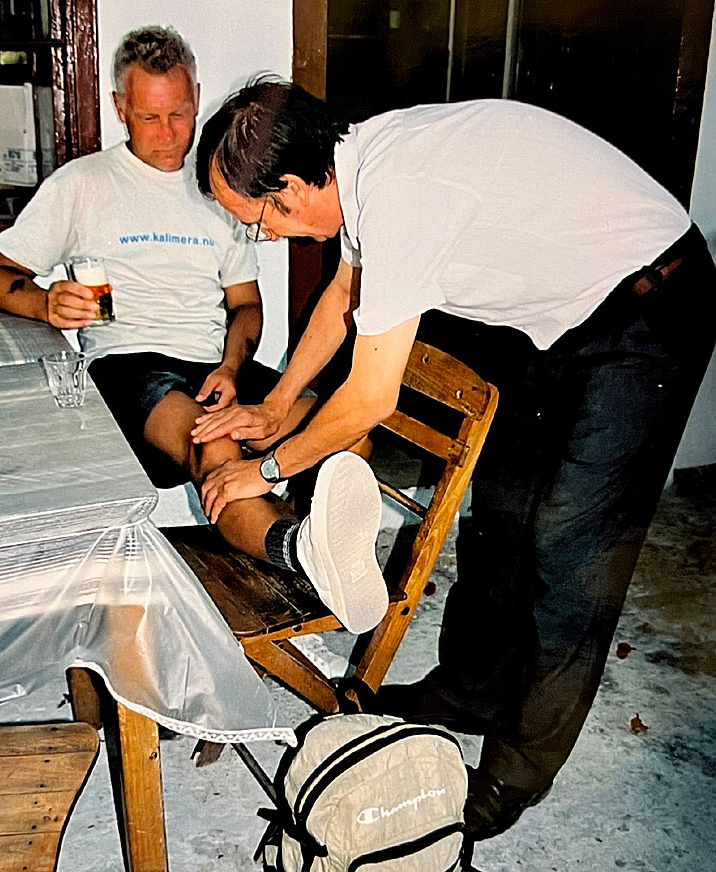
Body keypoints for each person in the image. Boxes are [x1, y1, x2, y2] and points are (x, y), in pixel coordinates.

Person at [190, 79, 716, 842]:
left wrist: (266, 471)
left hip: (649, 306)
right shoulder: (358, 163)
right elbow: (344, 294)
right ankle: (471, 690)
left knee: (572, 548)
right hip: (562, 318)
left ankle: (515, 771)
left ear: (296, 187)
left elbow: (369, 399)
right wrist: (278, 404)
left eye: (260, 220)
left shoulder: (404, 189)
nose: (267, 236)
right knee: (497, 519)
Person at [0, 31, 389, 637]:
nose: (169, 133)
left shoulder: (220, 183)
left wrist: (229, 367)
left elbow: (246, 307)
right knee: (213, 446)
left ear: (197, 98)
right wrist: (45, 303)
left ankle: (306, 550)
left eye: (180, 114)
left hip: (212, 362)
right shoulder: (81, 184)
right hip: (127, 365)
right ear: (121, 108)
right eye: (149, 117)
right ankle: (298, 554)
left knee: (342, 432)